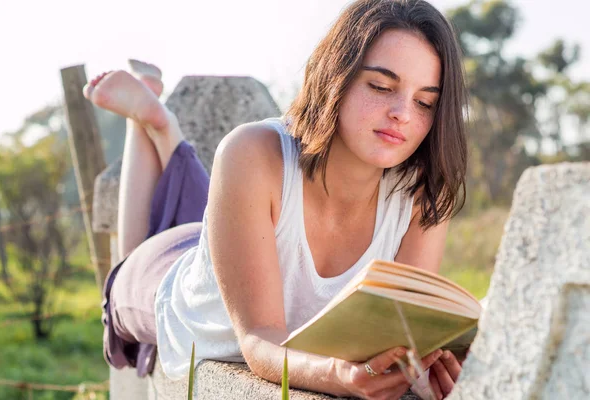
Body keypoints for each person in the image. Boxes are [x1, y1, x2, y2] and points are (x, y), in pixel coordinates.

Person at [89, 0, 468, 398]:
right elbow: (258, 341)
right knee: (131, 258)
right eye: (380, 86)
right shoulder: (251, 152)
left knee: (202, 218)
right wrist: (337, 377)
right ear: (335, 77)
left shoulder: (422, 194)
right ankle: (152, 123)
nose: (402, 114)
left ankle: (164, 129)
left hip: (232, 240)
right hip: (169, 278)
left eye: (425, 102)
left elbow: (404, 339)